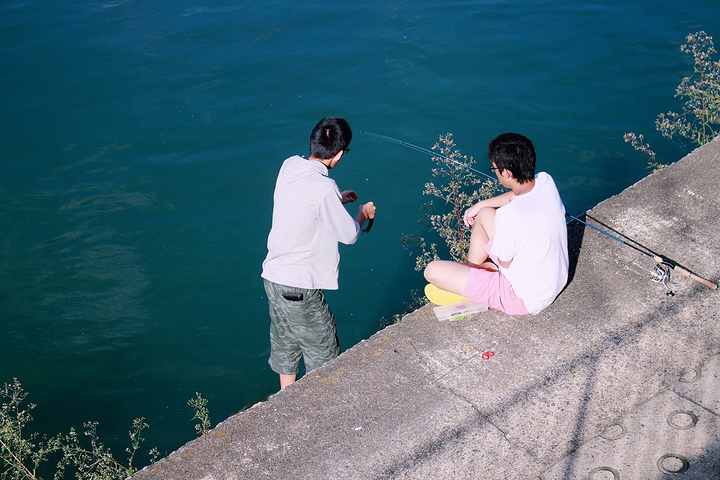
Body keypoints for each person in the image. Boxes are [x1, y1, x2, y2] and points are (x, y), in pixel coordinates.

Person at [261, 117, 376, 389]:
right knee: (324, 354)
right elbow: (348, 235)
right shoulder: (324, 189)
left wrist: (337, 198)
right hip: (300, 286)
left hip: (273, 279)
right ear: (337, 155)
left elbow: (307, 200)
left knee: (286, 345)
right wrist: (361, 214)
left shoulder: (289, 165)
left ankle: (284, 401)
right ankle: (320, 414)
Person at [423, 132, 568, 315]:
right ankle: (471, 272)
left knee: (432, 271)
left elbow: (505, 263)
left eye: (494, 168)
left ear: (506, 172)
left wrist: (488, 266)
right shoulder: (545, 181)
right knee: (484, 214)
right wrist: (481, 204)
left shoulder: (509, 215)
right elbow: (516, 196)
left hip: (523, 297)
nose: (495, 172)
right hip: (553, 280)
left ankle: (473, 281)